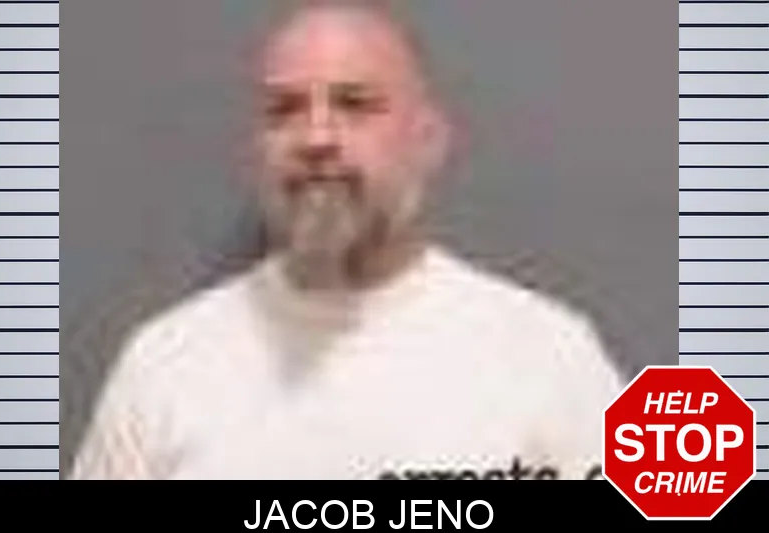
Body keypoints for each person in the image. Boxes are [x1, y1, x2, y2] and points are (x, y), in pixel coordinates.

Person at [69, 1, 624, 480]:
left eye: (355, 104)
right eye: (285, 110)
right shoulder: (164, 366)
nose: (316, 137)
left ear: (428, 140)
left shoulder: (549, 357)